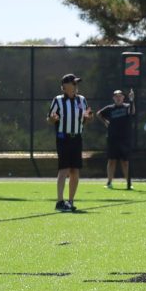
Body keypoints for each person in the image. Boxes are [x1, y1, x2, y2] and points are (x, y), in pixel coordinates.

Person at [47, 73, 92, 212]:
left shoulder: (82, 100)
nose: (76, 86)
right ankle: (60, 201)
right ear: (65, 87)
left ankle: (70, 201)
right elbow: (49, 118)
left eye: (76, 83)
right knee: (64, 169)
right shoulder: (58, 100)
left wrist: (88, 117)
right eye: (73, 83)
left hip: (77, 138)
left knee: (75, 170)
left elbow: (86, 118)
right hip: (63, 138)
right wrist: (53, 119)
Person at [96, 89, 136, 189]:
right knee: (111, 161)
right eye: (116, 96)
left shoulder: (127, 106)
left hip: (124, 138)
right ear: (113, 98)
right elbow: (98, 114)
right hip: (112, 138)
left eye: (120, 96)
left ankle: (129, 183)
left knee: (125, 162)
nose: (118, 98)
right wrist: (105, 122)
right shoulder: (110, 108)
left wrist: (132, 100)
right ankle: (109, 183)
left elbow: (132, 111)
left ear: (123, 97)